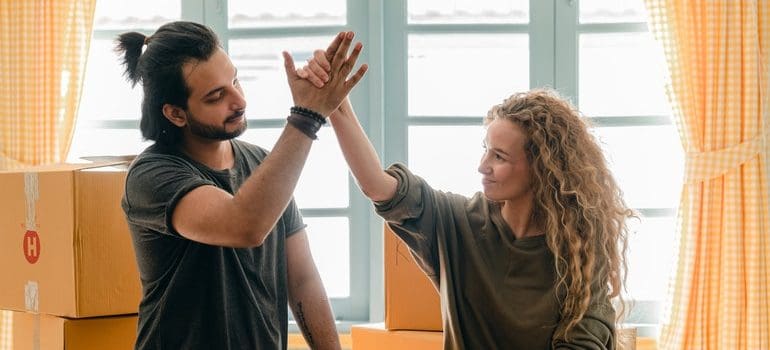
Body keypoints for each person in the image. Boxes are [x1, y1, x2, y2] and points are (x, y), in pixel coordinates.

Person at [299, 50, 633, 349]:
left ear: (542, 169)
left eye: (499, 157)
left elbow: (585, 341)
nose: (482, 166)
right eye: (485, 150)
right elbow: (377, 185)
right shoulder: (456, 222)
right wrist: (336, 104)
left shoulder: (579, 251)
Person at [117, 21, 367, 349]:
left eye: (235, 80)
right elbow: (244, 226)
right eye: (216, 96)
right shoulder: (151, 176)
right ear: (176, 114)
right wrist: (307, 115)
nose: (239, 100)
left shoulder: (265, 165)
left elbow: (302, 278)